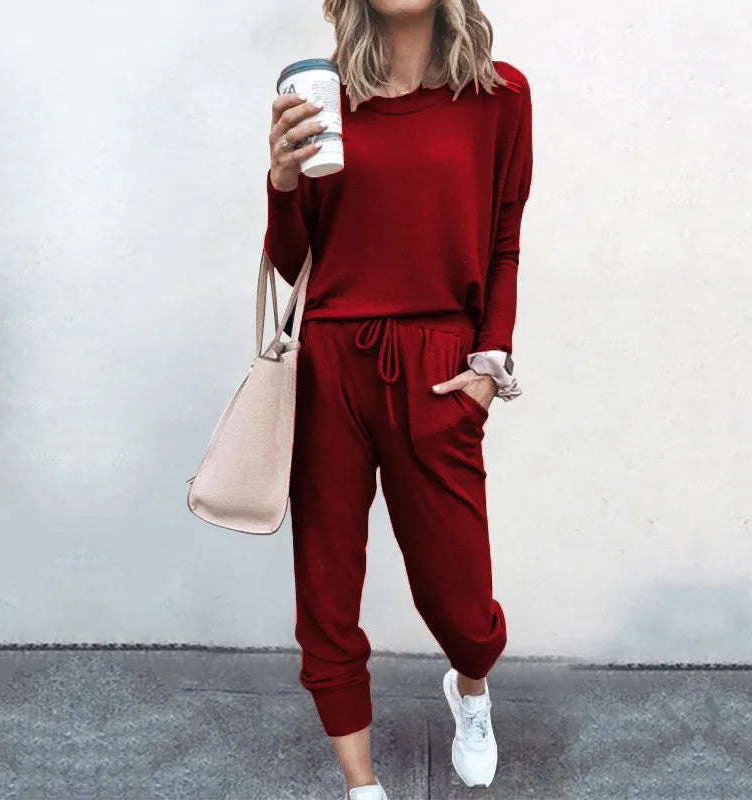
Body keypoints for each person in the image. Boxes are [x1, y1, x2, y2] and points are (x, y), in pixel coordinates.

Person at [264, 1, 533, 797]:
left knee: (459, 589)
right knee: (326, 584)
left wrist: (487, 366)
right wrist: (280, 183)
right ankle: (361, 785)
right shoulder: (320, 95)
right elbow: (290, 263)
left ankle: (472, 686)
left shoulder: (501, 97)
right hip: (331, 362)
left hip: (438, 364)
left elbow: (505, 238)